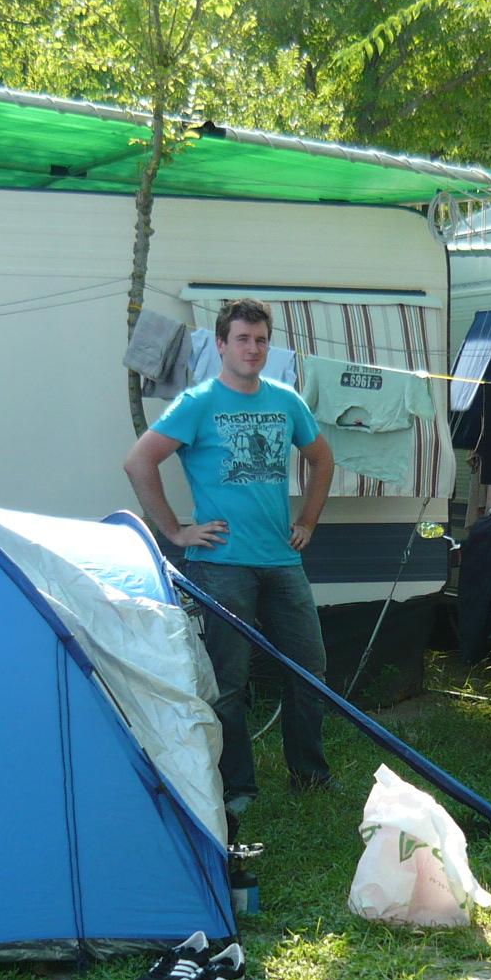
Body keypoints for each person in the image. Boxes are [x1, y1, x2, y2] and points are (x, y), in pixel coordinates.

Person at [124, 298, 336, 814]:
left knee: (310, 669)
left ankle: (310, 775)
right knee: (228, 682)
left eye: (261, 340)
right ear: (221, 345)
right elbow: (139, 461)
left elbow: (322, 459)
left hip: (282, 561)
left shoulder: (286, 400)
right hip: (221, 565)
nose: (252, 349)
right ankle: (237, 787)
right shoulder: (198, 402)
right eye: (242, 339)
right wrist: (175, 531)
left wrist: (308, 521)